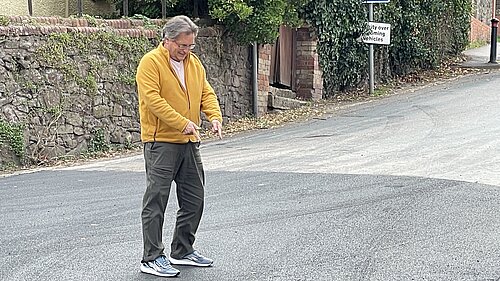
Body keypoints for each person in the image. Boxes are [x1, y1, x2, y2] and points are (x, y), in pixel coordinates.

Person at [135, 15, 223, 278]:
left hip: (189, 142)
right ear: (167, 41)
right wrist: (182, 122)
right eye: (181, 46)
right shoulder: (150, 63)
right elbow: (153, 100)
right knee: (156, 201)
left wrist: (214, 116)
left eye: (190, 46)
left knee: (195, 199)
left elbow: (206, 92)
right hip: (160, 142)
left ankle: (182, 250)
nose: (185, 51)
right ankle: (151, 257)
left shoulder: (194, 63)